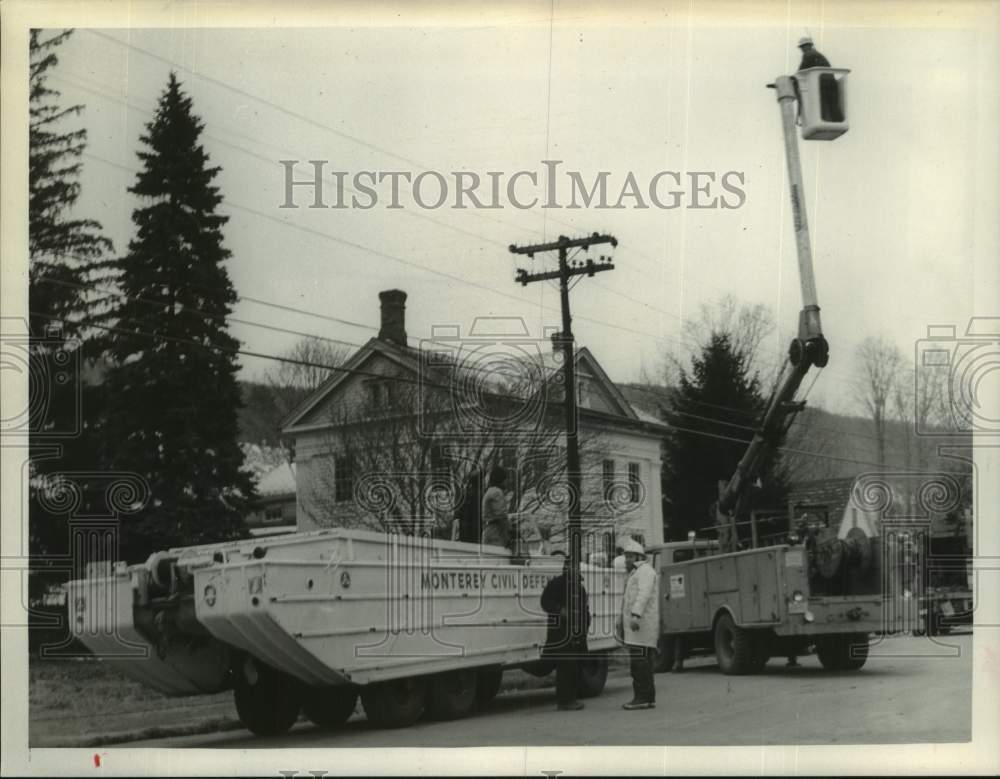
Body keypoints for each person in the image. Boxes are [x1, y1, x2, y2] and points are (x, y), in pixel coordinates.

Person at [540, 551, 590, 711]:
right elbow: (545, 602)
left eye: (576, 566)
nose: (574, 569)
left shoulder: (579, 588)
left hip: (577, 635)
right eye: (570, 566)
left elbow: (584, 609)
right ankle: (565, 701)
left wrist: (585, 625)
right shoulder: (557, 584)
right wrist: (560, 610)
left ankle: (571, 698)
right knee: (565, 668)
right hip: (561, 634)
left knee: (576, 666)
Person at [618, 538, 659, 710]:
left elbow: (643, 595)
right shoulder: (636, 572)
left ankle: (642, 698)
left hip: (640, 626)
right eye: (626, 556)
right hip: (637, 628)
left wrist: (635, 615)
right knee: (642, 662)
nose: (626, 560)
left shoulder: (645, 572)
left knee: (639, 663)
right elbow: (627, 600)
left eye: (629, 557)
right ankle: (647, 698)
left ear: (638, 557)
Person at [481, 465, 512, 549]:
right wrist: (507, 538)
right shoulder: (497, 492)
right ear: (500, 479)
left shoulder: (489, 491)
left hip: (489, 530)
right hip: (496, 533)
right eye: (505, 479)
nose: (507, 481)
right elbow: (500, 517)